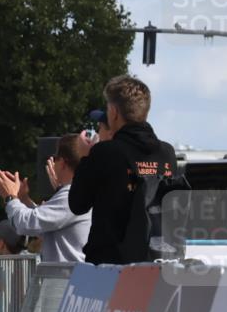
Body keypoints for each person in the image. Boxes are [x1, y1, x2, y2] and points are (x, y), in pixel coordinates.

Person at [69, 75, 176, 264]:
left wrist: (86, 157)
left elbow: (78, 204)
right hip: (156, 263)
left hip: (110, 266)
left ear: (114, 111)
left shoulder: (105, 152)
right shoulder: (166, 153)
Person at [0, 133, 91, 262]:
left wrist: (10, 197)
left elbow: (26, 224)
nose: (52, 163)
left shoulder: (72, 196)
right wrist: (23, 199)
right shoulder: (79, 194)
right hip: (69, 279)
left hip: (66, 280)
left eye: (55, 158)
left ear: (63, 163)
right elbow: (42, 226)